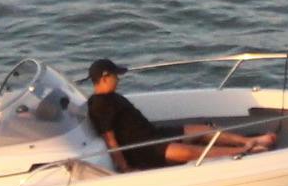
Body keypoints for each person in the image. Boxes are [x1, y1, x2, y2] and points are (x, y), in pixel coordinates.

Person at [86, 59, 273, 171]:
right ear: (104, 78)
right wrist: (125, 167)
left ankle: (250, 140)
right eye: (114, 76)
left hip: (154, 134)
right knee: (192, 153)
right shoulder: (100, 106)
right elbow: (111, 141)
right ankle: (244, 150)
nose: (118, 79)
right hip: (145, 149)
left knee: (200, 130)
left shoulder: (112, 97)